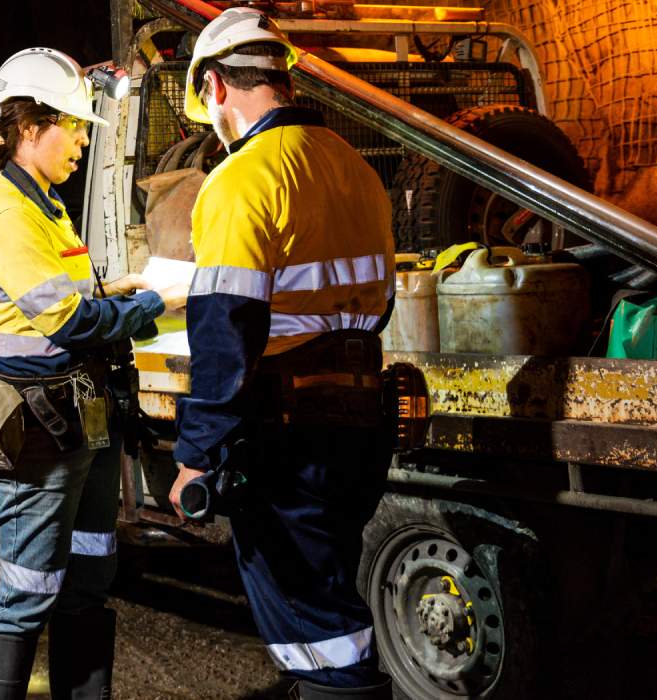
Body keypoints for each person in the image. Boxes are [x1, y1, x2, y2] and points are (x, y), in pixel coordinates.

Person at [165, 9, 396, 699]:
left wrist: (195, 454)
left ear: (215, 87)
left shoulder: (241, 180)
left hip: (289, 434)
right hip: (361, 417)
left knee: (312, 629)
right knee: (330, 598)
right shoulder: (355, 169)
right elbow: (377, 303)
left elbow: (225, 335)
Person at [0, 47, 188, 700]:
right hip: (38, 430)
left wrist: (116, 287)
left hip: (83, 418)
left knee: (87, 580)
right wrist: (155, 302)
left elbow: (69, 297)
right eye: (76, 124)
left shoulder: (47, 206)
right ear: (31, 127)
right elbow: (66, 326)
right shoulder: (7, 215)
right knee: (27, 592)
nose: (86, 140)